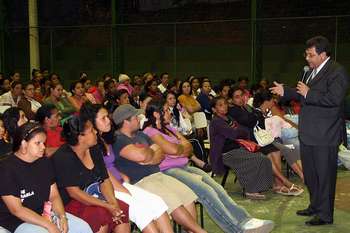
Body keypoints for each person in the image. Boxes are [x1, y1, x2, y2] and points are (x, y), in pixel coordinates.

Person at [143, 100, 274, 233]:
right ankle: (237, 229)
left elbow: (189, 148)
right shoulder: (150, 132)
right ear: (156, 114)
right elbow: (174, 150)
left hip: (184, 166)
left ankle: (245, 220)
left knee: (218, 188)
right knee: (206, 191)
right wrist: (180, 150)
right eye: (165, 110)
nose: (169, 112)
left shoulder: (168, 128)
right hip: (168, 171)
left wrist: (180, 151)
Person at [270, 35, 349, 226]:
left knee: (325, 176)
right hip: (308, 133)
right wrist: (285, 91)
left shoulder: (337, 72)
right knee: (312, 174)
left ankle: (325, 215)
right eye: (306, 54)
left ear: (322, 55)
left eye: (310, 55)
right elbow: (301, 92)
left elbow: (334, 99)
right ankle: (315, 205)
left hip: (325, 134)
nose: (307, 58)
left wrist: (309, 93)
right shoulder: (308, 72)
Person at [112, 104, 206, 233]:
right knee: (174, 202)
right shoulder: (118, 139)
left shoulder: (141, 135)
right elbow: (141, 155)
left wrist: (148, 157)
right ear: (126, 121)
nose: (140, 119)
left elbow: (160, 153)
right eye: (136, 117)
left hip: (158, 175)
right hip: (141, 182)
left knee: (187, 196)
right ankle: (200, 231)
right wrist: (150, 152)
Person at [80, 103, 174, 233]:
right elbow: (104, 174)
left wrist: (122, 176)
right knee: (142, 211)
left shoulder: (106, 138)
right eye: (103, 118)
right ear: (92, 122)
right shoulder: (91, 145)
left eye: (108, 116)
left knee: (157, 203)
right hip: (108, 188)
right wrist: (125, 189)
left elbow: (113, 164)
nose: (108, 120)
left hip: (120, 183)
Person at [0, 122, 93, 233]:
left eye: (44, 143)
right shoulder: (6, 168)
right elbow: (17, 210)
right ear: (24, 144)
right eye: (38, 143)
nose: (43, 147)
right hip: (17, 220)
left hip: (45, 213)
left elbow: (53, 196)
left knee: (83, 228)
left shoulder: (44, 162)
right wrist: (49, 226)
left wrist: (62, 216)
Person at [51, 116, 130, 233]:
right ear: (80, 137)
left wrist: (113, 203)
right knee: (100, 214)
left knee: (121, 208)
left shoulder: (94, 149)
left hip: (94, 195)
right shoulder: (63, 157)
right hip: (71, 203)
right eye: (92, 130)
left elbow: (104, 179)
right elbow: (74, 193)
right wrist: (107, 206)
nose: (96, 131)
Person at [209, 96, 273, 199]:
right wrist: (237, 131)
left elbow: (244, 131)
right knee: (257, 159)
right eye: (220, 105)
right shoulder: (216, 122)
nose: (224, 106)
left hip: (237, 148)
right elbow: (233, 133)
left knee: (264, 158)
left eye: (225, 103)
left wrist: (237, 131)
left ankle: (260, 186)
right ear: (214, 109)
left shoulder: (228, 118)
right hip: (225, 153)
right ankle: (250, 190)